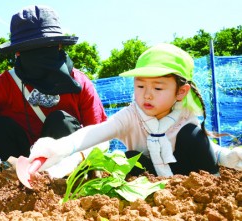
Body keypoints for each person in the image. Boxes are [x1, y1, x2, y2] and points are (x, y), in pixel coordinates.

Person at [28, 43, 242, 177]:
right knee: (130, 157)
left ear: (181, 92)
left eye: (158, 87)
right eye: (140, 86)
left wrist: (225, 156)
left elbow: (206, 147)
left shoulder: (184, 116)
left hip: (189, 175)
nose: (147, 94)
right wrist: (59, 147)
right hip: (152, 178)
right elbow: (95, 132)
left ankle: (213, 182)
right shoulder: (131, 116)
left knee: (192, 135)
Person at [0, 5, 107, 175]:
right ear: (18, 53)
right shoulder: (3, 85)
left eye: (46, 47)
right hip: (19, 164)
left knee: (61, 121)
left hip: (65, 165)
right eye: (31, 50)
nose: (40, 58)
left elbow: (100, 135)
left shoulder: (79, 83)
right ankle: (17, 177)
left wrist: (79, 156)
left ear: (59, 46)